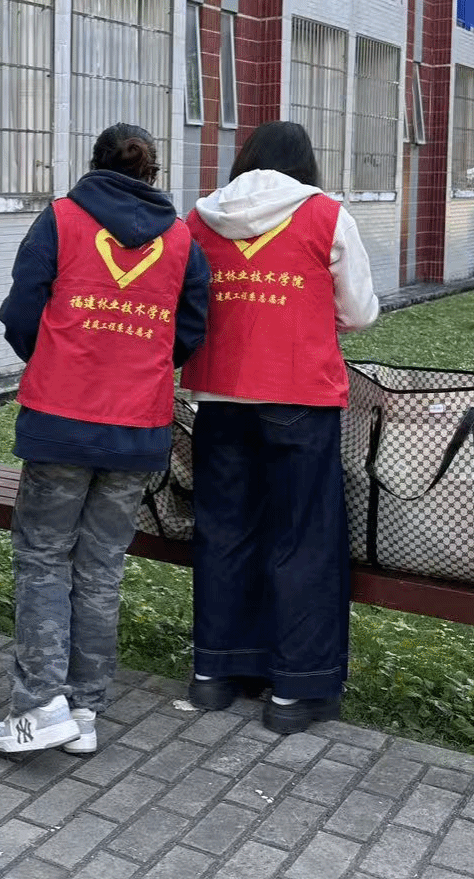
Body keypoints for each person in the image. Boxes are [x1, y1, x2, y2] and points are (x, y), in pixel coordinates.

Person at [0, 123, 210, 756]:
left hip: (59, 424)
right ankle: (85, 709)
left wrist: (55, 360)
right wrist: (140, 365)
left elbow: (20, 313)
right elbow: (191, 328)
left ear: (94, 165)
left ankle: (40, 704)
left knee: (43, 559)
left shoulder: (60, 221)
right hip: (137, 429)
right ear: (152, 174)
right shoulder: (180, 240)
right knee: (102, 568)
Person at [182, 121, 379, 735]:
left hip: (219, 397)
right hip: (299, 396)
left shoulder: (200, 220)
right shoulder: (325, 216)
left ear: (244, 159)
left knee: (224, 531)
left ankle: (215, 673)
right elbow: (359, 312)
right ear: (307, 165)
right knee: (304, 539)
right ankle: (296, 689)